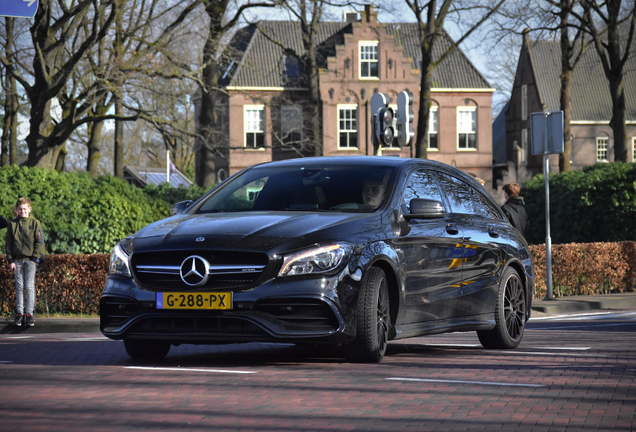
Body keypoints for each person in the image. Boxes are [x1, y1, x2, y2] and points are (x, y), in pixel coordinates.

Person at [5, 198, 45, 327]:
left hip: (30, 260)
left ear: (29, 209)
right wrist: (10, 260)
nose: (22, 211)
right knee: (19, 287)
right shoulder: (12, 224)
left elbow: (39, 243)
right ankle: (20, 313)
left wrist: (34, 259)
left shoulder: (35, 223)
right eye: (20, 209)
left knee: (29, 286)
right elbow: (9, 244)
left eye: (25, 209)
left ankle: (29, 313)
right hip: (17, 260)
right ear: (17, 210)